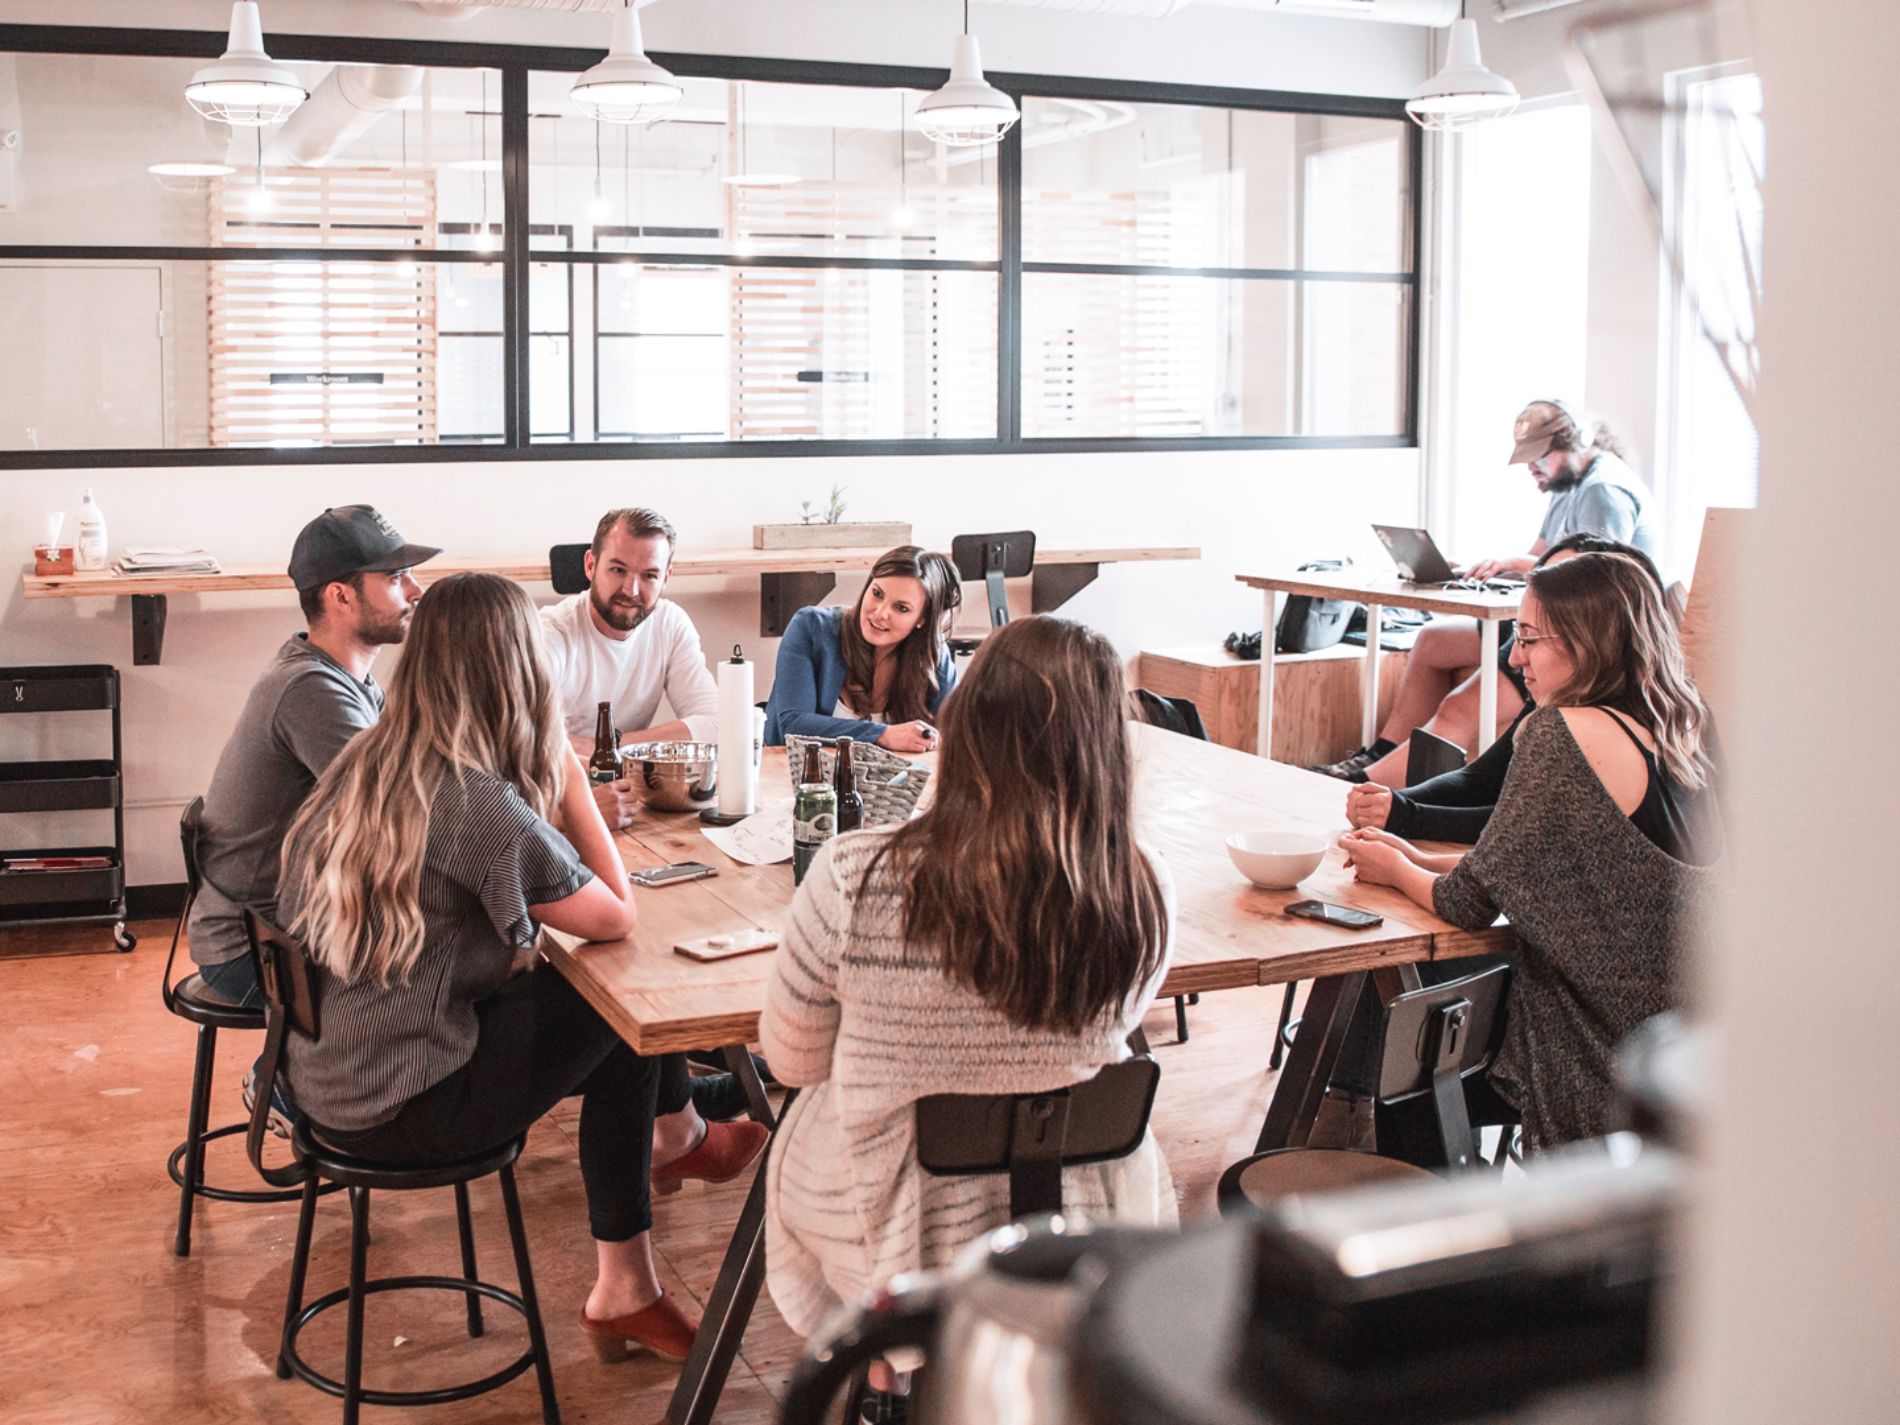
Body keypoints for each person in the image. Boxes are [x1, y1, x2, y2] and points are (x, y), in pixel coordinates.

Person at [277, 572, 766, 1363]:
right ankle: (638, 1249)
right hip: (404, 1104)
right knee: (615, 1006)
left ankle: (664, 1180)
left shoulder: (368, 761)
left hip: (326, 1075)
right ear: (520, 673)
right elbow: (615, 911)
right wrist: (569, 772)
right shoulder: (474, 801)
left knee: (587, 1002)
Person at [761, 616, 1178, 1371]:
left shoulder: (855, 874)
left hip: (897, 1228)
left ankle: (892, 1361)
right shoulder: (1144, 887)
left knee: (814, 1113)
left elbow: (789, 1060)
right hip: (1080, 1220)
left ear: (966, 724)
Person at [1339, 552, 1721, 1152]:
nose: (1515, 660)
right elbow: (1526, 868)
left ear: (1586, 642)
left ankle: (1442, 1237)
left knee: (1409, 1078)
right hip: (1678, 1044)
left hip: (1596, 1055)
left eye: (1527, 640)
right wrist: (1406, 859)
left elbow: (1466, 902)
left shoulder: (1562, 733)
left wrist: (1394, 868)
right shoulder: (1676, 727)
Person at [188, 506, 437, 1127]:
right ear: (339, 596)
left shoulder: (350, 682)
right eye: (395, 577)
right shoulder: (313, 692)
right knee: (453, 963)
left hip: (286, 929)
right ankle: (291, 1085)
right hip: (257, 951)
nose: (415, 591)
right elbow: (408, 814)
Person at [1316, 399, 1658, 786]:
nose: (1532, 468)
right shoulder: (1567, 483)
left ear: (1574, 444)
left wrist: (1522, 565)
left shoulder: (1604, 490)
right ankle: (1382, 752)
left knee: (1460, 706)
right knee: (1432, 642)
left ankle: (1366, 785)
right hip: (1553, 622)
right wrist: (1493, 569)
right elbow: (1541, 556)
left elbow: (1595, 581)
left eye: (1540, 458)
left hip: (1581, 638)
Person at [1344, 534, 1675, 844]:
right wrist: (1392, 803)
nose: (1516, 659)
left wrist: (1403, 816)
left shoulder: (1584, 727)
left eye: (1530, 638)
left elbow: (1514, 837)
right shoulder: (1568, 699)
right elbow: (1483, 782)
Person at [539, 507, 719, 832]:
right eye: (618, 570)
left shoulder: (670, 623)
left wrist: (615, 751)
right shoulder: (550, 633)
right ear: (591, 565)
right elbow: (532, 745)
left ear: (666, 578)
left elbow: (715, 725)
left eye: (649, 575)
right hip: (557, 805)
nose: (631, 590)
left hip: (633, 804)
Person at [762, 545, 962, 754]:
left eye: (901, 608)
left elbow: (956, 732)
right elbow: (793, 725)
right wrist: (882, 735)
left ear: (922, 618)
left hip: (892, 785)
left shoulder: (932, 652)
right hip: (793, 780)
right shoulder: (811, 627)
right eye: (877, 593)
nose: (880, 612)